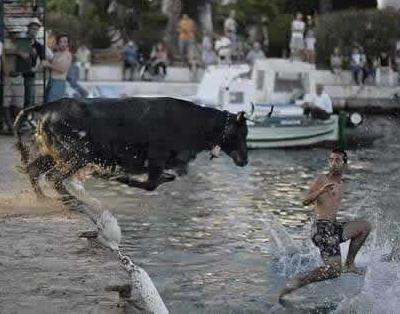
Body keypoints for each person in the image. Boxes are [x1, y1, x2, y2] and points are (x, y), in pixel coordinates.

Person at [279, 148, 371, 300]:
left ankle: (349, 263)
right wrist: (321, 191)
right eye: (331, 160)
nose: (333, 163)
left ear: (344, 165)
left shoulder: (341, 183)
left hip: (333, 227)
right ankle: (297, 282)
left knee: (364, 227)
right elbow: (305, 201)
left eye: (337, 160)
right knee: (334, 271)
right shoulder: (322, 179)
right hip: (321, 229)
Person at [16, 18, 45, 108]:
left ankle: (27, 118)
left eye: (36, 29)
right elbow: (21, 54)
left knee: (30, 99)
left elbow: (43, 61)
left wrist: (36, 69)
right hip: (18, 74)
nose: (34, 31)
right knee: (17, 100)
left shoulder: (38, 45)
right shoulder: (22, 40)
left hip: (30, 75)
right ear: (28, 29)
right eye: (32, 28)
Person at [42, 34, 72, 102]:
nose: (63, 44)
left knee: (52, 103)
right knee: (46, 101)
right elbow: (51, 67)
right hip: (51, 80)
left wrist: (48, 65)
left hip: (59, 82)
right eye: (61, 41)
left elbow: (62, 69)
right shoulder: (56, 54)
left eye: (65, 41)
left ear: (68, 43)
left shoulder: (67, 54)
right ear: (58, 43)